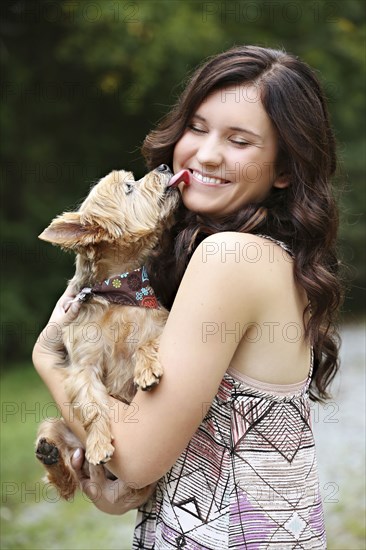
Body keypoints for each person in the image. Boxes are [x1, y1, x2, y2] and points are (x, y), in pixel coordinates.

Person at [32, 45, 342, 549]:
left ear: (284, 170)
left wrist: (47, 358)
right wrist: (122, 488)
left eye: (239, 140)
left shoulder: (229, 258)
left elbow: (134, 454)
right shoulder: (263, 255)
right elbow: (163, 454)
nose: (206, 153)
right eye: (197, 128)